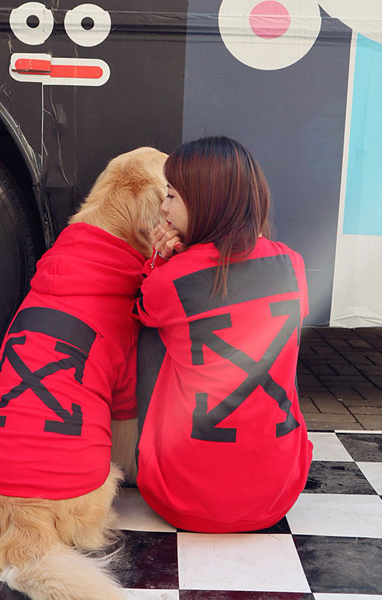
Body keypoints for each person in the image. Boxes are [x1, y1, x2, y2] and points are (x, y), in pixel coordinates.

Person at [133, 136, 312, 533]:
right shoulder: (293, 264)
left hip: (180, 497)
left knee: (150, 331)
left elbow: (142, 308)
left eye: (172, 196)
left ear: (205, 201)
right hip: (279, 494)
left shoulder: (172, 279)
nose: (163, 207)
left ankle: (140, 451)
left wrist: (159, 261)